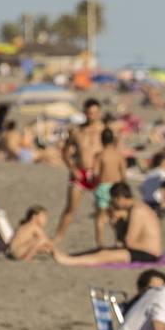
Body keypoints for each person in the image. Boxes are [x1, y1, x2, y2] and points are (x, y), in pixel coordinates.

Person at [53, 182, 162, 265]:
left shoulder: (138, 210)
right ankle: (70, 257)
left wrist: (117, 227)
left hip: (149, 253)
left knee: (105, 254)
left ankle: (68, 260)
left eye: (113, 200)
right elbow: (124, 242)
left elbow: (129, 241)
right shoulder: (137, 208)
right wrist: (117, 225)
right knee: (101, 251)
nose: (113, 204)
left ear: (119, 198)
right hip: (141, 250)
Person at [53, 98, 105, 244]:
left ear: (99, 113)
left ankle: (100, 243)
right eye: (89, 113)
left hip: (98, 174)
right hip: (80, 172)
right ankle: (57, 238)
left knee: (101, 211)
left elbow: (111, 152)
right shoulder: (77, 131)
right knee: (70, 209)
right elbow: (65, 153)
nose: (92, 116)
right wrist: (72, 168)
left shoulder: (105, 130)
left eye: (95, 113)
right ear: (84, 113)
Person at [93, 127, 129, 248]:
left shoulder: (100, 155)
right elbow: (124, 175)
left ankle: (100, 243)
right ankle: (118, 241)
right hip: (116, 188)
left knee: (101, 217)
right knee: (116, 216)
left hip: (103, 186)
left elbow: (95, 173)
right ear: (113, 140)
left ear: (101, 140)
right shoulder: (118, 156)